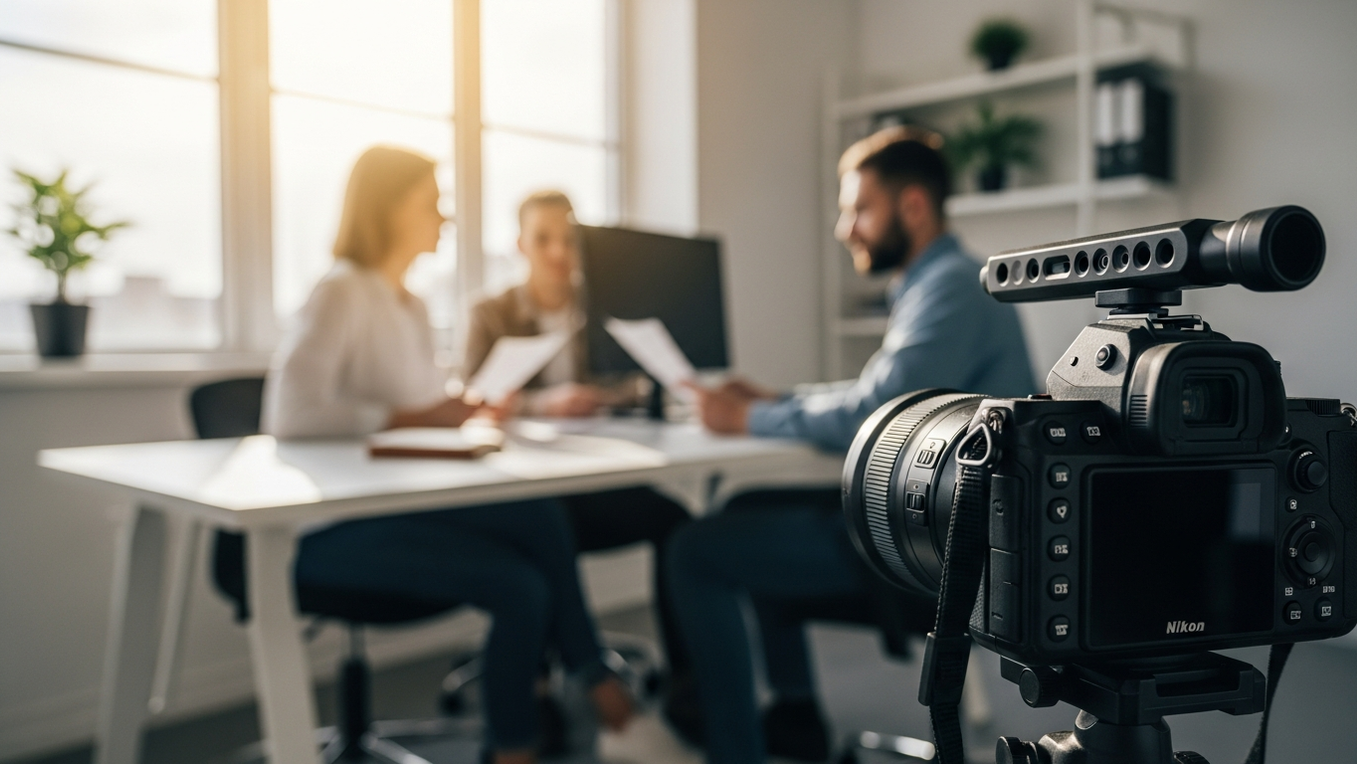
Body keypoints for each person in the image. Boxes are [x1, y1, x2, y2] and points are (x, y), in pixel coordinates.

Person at [666, 126, 1036, 764]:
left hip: (937, 547)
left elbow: (872, 411)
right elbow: (883, 391)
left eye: (859, 208)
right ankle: (796, 714)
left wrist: (749, 420)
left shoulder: (950, 286)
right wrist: (774, 401)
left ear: (912, 206)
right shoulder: (936, 282)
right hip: (937, 519)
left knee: (694, 550)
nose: (845, 228)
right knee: (744, 511)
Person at [262, 146, 632, 764]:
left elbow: (426, 404)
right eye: (432, 202)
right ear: (387, 210)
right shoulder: (339, 293)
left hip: (403, 506)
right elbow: (291, 417)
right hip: (339, 526)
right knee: (519, 586)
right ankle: (563, 703)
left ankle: (552, 706)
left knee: (537, 518)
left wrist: (467, 406)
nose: (445, 217)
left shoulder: (407, 304)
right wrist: (420, 416)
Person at [464, 190, 696, 701]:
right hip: (526, 489)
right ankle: (539, 687)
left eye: (567, 240)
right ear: (520, 245)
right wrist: (546, 404)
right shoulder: (490, 313)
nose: (557, 253)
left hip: (595, 477)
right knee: (543, 527)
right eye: (542, 239)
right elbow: (472, 398)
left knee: (674, 520)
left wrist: (605, 395)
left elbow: (636, 382)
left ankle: (688, 681)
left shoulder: (603, 312)